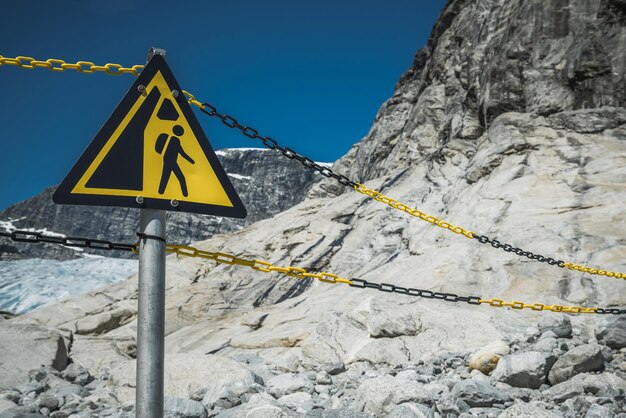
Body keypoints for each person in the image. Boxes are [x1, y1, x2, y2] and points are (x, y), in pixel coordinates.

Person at [156, 125, 195, 197]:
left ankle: (160, 192)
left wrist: (191, 161)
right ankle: (185, 195)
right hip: (171, 161)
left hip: (167, 160)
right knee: (180, 178)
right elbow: (182, 153)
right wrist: (192, 161)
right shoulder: (176, 140)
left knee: (165, 177)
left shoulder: (171, 139)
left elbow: (181, 153)